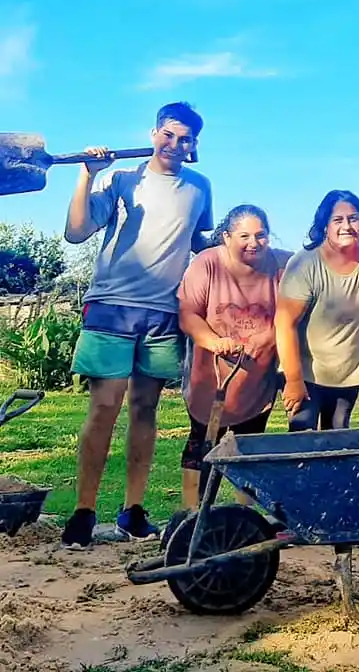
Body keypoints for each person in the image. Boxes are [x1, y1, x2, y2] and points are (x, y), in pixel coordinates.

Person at [60, 102, 213, 550]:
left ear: (194, 145)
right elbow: (76, 231)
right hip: (111, 306)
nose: (176, 144)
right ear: (153, 133)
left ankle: (132, 512)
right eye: (169, 135)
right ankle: (84, 512)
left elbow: (198, 242)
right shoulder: (119, 178)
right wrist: (87, 173)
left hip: (163, 312)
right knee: (105, 406)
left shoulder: (199, 187)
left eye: (185, 139)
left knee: (145, 410)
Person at [177, 205, 292, 509]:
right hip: (211, 375)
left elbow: (293, 314)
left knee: (249, 446)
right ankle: (192, 515)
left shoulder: (283, 265)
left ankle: (243, 516)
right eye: (244, 236)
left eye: (260, 235)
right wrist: (214, 341)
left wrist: (268, 337)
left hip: (257, 379)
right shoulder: (207, 263)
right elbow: (188, 314)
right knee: (202, 441)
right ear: (227, 237)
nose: (253, 242)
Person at [275, 190, 359, 430]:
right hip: (307, 372)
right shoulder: (305, 264)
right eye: (338, 220)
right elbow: (284, 323)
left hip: (348, 372)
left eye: (354, 218)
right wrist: (293, 380)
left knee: (337, 439)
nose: (347, 226)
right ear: (325, 225)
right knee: (303, 441)